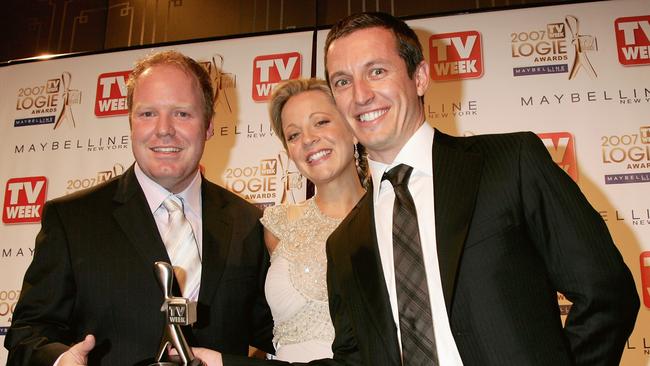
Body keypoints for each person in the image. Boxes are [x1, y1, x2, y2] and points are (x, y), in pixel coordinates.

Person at [320, 11, 640, 366]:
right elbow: (353, 357)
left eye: (376, 71)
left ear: (420, 77)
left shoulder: (510, 163)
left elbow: (606, 293)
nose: (361, 95)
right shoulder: (344, 244)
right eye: (342, 82)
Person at [4, 50, 273, 365]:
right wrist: (60, 360)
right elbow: (28, 333)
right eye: (147, 114)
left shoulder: (249, 222)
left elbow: (276, 332)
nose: (163, 129)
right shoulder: (72, 219)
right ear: (130, 122)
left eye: (182, 114)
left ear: (209, 126)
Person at [260, 78, 366, 362]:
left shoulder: (391, 216)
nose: (308, 139)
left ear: (353, 129)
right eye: (293, 135)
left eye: (320, 122)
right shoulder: (277, 225)